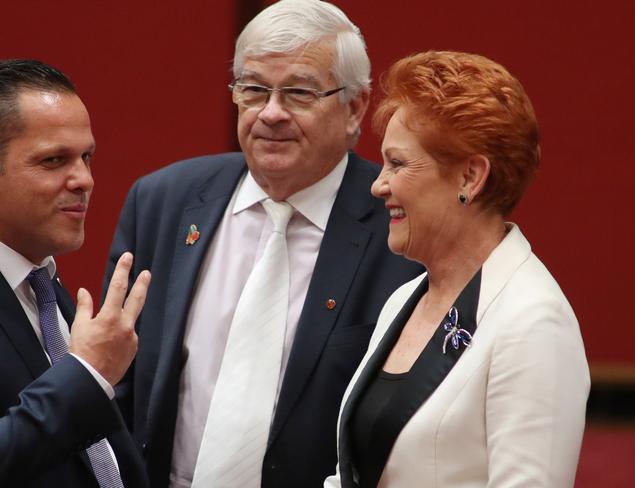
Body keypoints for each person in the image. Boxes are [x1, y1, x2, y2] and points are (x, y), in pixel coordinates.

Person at [103, 1, 423, 487]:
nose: (271, 113)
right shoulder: (163, 202)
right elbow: (117, 383)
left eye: (298, 92)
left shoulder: (401, 225)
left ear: (354, 107)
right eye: (253, 90)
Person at [324, 50, 590, 488]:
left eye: (399, 163)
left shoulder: (535, 323)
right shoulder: (404, 300)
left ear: (470, 177)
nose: (378, 184)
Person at [0, 59, 151, 487]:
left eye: (86, 157)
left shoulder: (43, 286)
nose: (84, 179)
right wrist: (86, 373)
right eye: (53, 160)